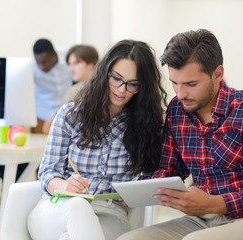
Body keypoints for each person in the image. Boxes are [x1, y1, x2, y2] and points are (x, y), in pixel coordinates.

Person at [118, 29, 243, 240]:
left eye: (191, 84)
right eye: (174, 83)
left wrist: (217, 203)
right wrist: (135, 190)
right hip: (202, 220)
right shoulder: (177, 110)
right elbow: (170, 170)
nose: (180, 94)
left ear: (217, 74)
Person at [27, 39, 167, 240]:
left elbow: (150, 179)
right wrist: (65, 186)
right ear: (104, 74)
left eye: (132, 84)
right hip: (57, 208)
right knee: (77, 206)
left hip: (109, 214)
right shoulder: (70, 115)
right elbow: (48, 171)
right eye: (116, 79)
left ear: (142, 87)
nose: (121, 89)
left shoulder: (147, 126)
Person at [42, 44, 99, 133]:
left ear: (91, 64)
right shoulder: (73, 91)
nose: (71, 69)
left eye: (76, 63)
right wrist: (52, 123)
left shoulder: (103, 90)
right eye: (70, 64)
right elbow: (61, 117)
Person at [31, 38, 72, 133]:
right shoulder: (31, 66)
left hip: (66, 115)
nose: (41, 66)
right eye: (38, 63)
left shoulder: (69, 56)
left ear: (54, 55)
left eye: (44, 62)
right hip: (41, 116)